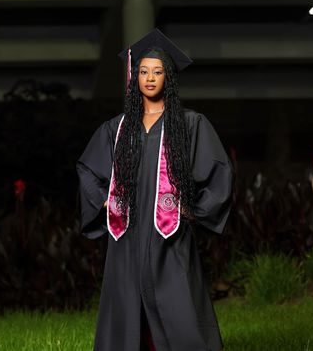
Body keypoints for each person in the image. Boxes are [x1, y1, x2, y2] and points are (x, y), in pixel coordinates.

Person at [76, 28, 234, 351]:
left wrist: (195, 210)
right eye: (143, 71)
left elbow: (219, 172)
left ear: (168, 78)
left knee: (179, 308)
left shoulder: (190, 124)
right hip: (129, 235)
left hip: (169, 234)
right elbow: (88, 169)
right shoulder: (118, 128)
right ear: (135, 77)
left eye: (158, 72)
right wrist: (104, 201)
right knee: (127, 309)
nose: (150, 78)